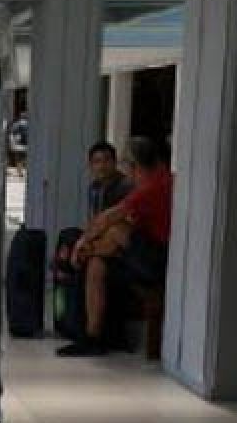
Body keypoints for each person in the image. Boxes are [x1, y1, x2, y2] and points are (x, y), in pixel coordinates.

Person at [57, 136, 173, 357]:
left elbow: (110, 218)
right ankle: (92, 337)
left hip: (157, 260)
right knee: (97, 264)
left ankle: (83, 257)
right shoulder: (108, 187)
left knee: (115, 231)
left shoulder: (149, 187)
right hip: (143, 252)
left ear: (135, 165)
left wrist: (83, 244)